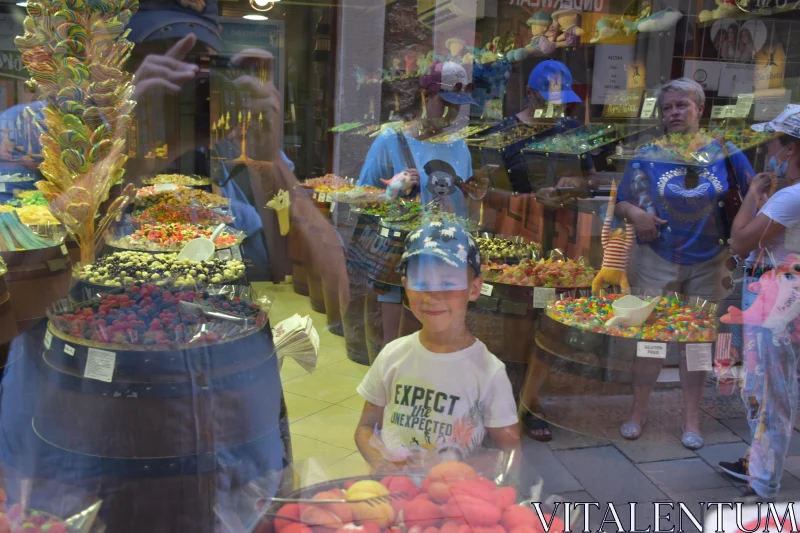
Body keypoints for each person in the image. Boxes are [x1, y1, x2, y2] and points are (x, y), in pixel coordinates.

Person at [614, 77, 754, 449]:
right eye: (667, 107)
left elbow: (753, 197)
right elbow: (622, 201)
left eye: (681, 106)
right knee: (651, 342)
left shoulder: (725, 151)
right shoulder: (648, 153)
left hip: (711, 262)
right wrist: (636, 215)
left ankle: (692, 418)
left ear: (699, 109)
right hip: (656, 259)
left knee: (695, 344)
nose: (674, 113)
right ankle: (637, 411)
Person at [354, 222, 521, 472]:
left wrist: (448, 467)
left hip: (452, 501)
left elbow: (509, 454)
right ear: (406, 285)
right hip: (393, 496)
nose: (432, 295)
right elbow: (365, 428)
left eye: (448, 282)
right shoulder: (392, 355)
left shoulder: (489, 372)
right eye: (421, 281)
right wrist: (380, 460)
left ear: (474, 288)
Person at [718, 104, 800, 498]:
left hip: (774, 298)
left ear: (792, 150)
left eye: (775, 142)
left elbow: (740, 240)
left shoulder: (792, 198)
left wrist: (752, 194)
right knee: (768, 382)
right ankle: (758, 462)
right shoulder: (790, 194)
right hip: (778, 296)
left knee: (768, 386)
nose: (769, 148)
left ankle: (763, 483)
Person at [357, 61, 486, 216]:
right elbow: (361, 200)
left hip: (451, 238)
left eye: (458, 104)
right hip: (405, 238)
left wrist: (476, 194)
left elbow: (464, 210)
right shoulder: (390, 141)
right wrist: (392, 194)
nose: (451, 110)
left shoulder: (459, 146)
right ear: (425, 96)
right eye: (446, 102)